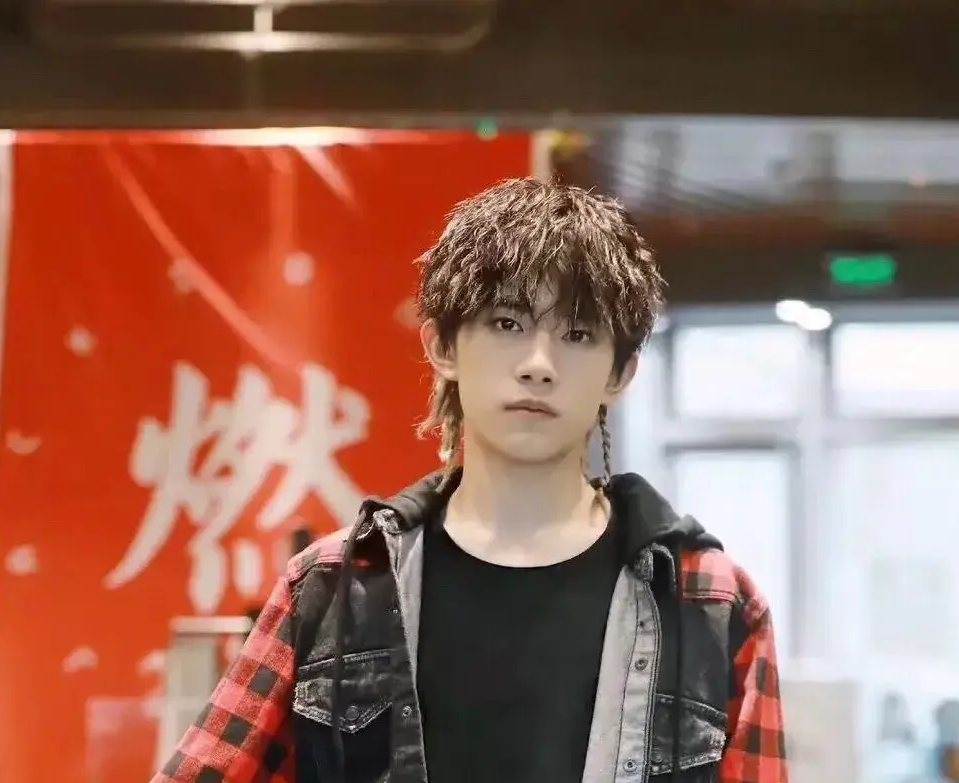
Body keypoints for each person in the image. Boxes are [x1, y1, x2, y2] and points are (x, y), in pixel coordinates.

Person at [151, 178, 788, 783]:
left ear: (620, 374)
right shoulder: (335, 587)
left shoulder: (709, 600)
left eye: (578, 334)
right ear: (443, 347)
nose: (539, 365)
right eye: (508, 324)